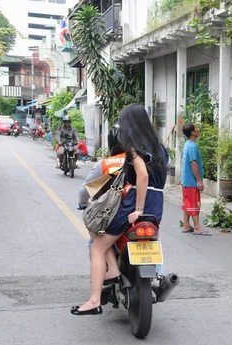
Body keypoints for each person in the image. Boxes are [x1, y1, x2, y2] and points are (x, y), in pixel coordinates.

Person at [71, 104, 169, 315]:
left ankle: (94, 300)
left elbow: (139, 176)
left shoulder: (124, 153)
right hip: (157, 204)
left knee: (98, 245)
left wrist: (138, 208)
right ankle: (158, 274)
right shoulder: (161, 149)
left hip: (134, 203)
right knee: (152, 241)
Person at [180, 122, 211, 236]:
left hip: (185, 180)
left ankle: (186, 225)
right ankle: (198, 227)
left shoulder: (187, 144)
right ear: (192, 132)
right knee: (194, 203)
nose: (198, 129)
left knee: (187, 202)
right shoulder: (193, 146)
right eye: (196, 128)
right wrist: (199, 180)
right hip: (191, 181)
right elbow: (193, 164)